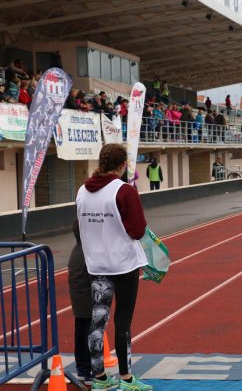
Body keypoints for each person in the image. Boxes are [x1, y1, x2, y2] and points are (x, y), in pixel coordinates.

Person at [75, 143, 152, 391]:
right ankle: (127, 379)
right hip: (123, 264)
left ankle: (99, 378)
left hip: (96, 264)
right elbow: (138, 230)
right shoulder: (124, 191)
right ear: (122, 166)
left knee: (98, 322)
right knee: (123, 322)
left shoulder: (81, 192)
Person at [67, 219, 92, 383]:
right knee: (86, 333)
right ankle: (85, 369)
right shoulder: (85, 253)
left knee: (82, 331)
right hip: (85, 298)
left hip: (82, 298)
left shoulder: (79, 250)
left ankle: (84, 367)